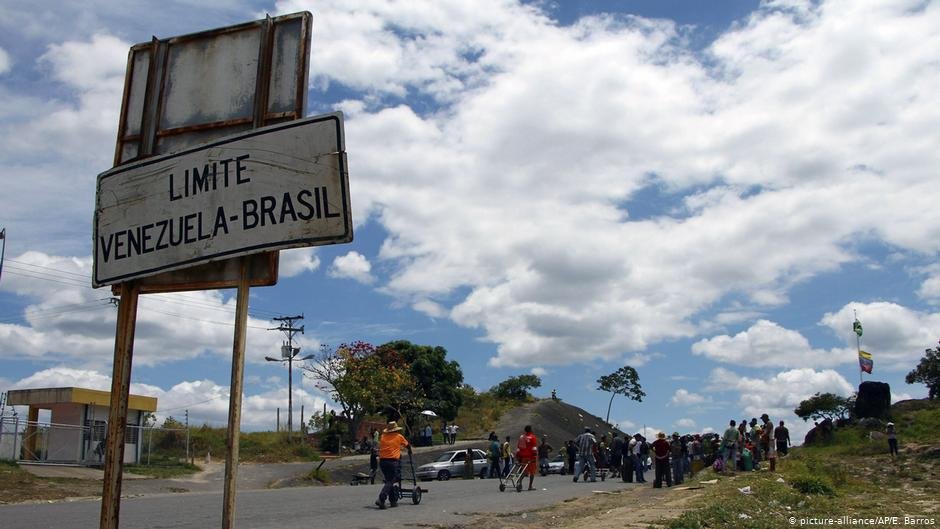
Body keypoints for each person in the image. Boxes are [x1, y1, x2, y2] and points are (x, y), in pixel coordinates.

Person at [375, 421, 411, 509]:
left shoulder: (383, 437)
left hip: (383, 461)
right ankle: (381, 498)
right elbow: (407, 445)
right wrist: (410, 450)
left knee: (388, 480)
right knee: (393, 479)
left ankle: (393, 501)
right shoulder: (399, 436)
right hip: (393, 461)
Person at [516, 425, 539, 490]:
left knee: (524, 471)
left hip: (523, 457)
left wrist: (518, 456)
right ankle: (530, 486)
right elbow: (534, 448)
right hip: (531, 457)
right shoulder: (532, 437)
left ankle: (519, 481)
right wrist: (535, 455)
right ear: (531, 429)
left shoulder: (522, 437)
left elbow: (519, 447)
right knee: (532, 472)